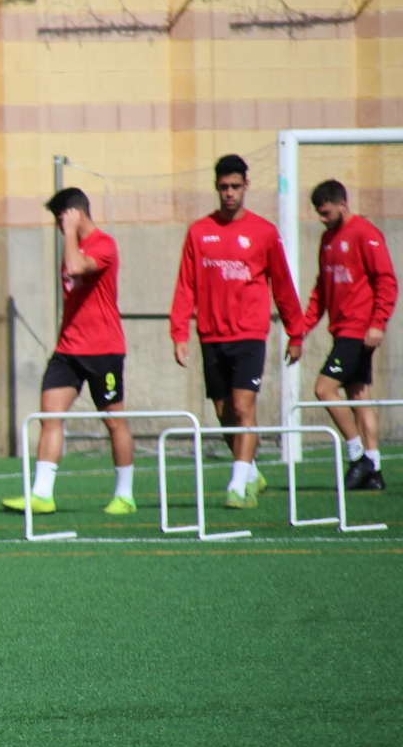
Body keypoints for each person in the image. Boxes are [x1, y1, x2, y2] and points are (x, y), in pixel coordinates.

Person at [169, 154, 304, 508]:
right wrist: (179, 332)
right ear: (216, 187)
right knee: (223, 410)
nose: (229, 193)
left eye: (235, 186)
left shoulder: (263, 233)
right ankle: (251, 471)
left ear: (246, 186)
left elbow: (283, 285)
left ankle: (236, 485)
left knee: (244, 407)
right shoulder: (199, 232)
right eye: (223, 187)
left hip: (248, 335)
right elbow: (186, 285)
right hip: (211, 336)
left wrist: (296, 331)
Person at [3, 188, 134, 517]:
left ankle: (124, 494)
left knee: (113, 421)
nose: (58, 224)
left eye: (60, 217)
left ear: (73, 213)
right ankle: (42, 494)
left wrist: (72, 232)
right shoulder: (72, 243)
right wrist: (71, 235)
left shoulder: (103, 244)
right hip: (68, 348)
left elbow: (76, 268)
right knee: (50, 415)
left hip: (103, 349)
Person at [303, 179, 395, 490]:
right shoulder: (327, 239)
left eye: (326, 212)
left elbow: (386, 280)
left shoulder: (365, 234)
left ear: (343, 204)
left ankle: (357, 455)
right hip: (341, 330)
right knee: (359, 397)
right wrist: (303, 326)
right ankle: (375, 470)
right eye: (319, 213)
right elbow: (322, 289)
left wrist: (378, 322)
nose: (322, 218)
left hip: (358, 331)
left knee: (324, 388)